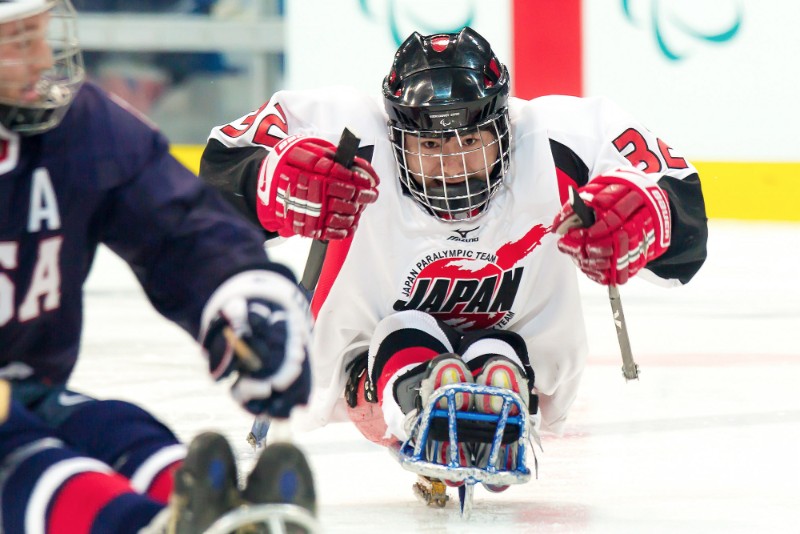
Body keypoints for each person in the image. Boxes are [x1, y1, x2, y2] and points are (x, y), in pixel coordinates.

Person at [199, 26, 708, 494]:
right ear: (395, 132)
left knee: (451, 341)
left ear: (504, 125)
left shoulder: (559, 138)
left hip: (528, 343)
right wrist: (271, 180)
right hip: (366, 352)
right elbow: (220, 169)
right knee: (398, 335)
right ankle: (462, 380)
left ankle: (480, 372)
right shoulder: (348, 128)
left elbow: (677, 199)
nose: (452, 166)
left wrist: (645, 215)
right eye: (430, 143)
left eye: (470, 140)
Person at [0, 1, 317, 532]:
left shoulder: (76, 126)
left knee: (119, 430)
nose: (42, 59)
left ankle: (219, 519)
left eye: (40, 34)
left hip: (28, 389)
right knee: (30, 465)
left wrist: (241, 296)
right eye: (17, 41)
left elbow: (177, 226)